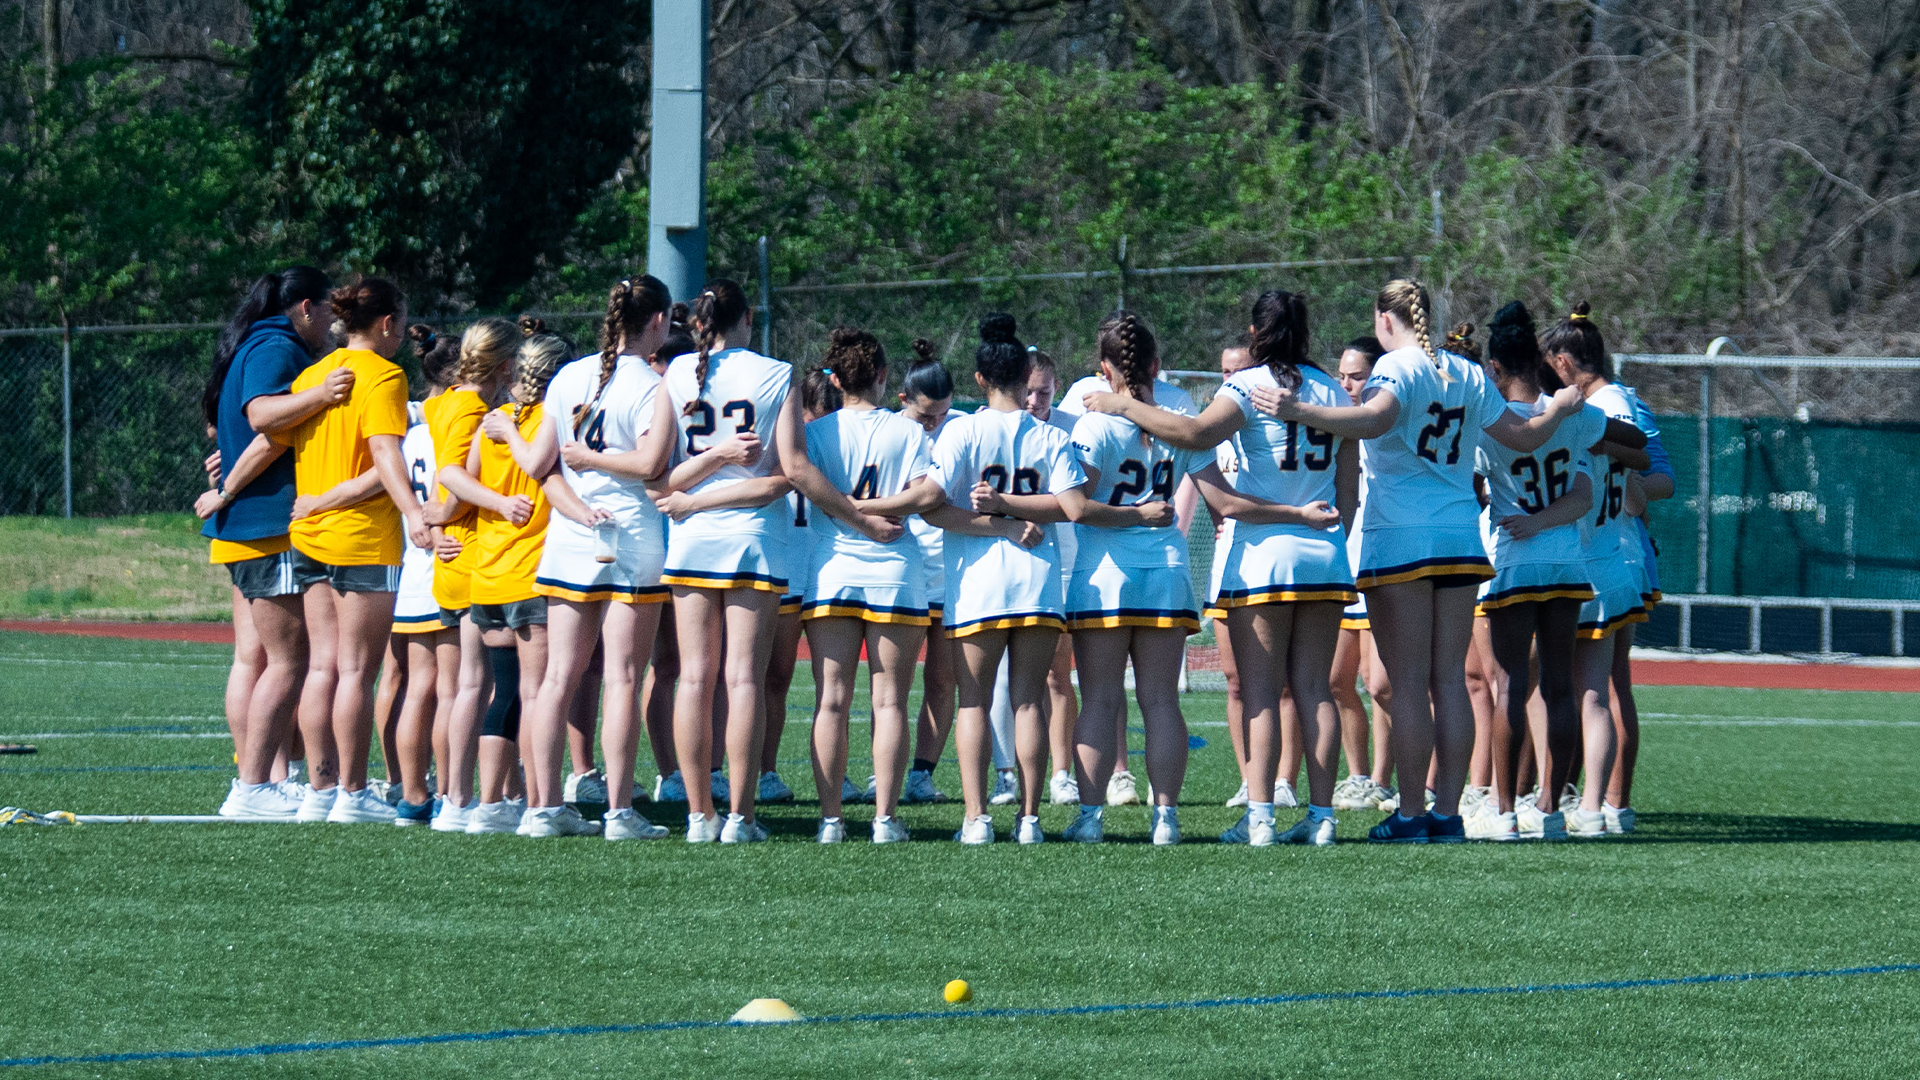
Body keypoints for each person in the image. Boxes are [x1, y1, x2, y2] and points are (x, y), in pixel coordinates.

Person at [1249, 279, 1582, 844]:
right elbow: (1523, 437)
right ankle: (1447, 813)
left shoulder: (1396, 369)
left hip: (1401, 537)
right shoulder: (1468, 371)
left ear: (1384, 321)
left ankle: (1409, 813)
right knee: (1448, 679)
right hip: (1459, 537)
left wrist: (1297, 408)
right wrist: (1561, 409)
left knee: (1406, 682)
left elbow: (1375, 420)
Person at [1085, 292, 1360, 847]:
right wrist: (1319, 526)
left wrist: (1123, 406)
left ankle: (1260, 816)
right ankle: (1323, 817)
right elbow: (1348, 493)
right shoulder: (1333, 391)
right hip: (1324, 552)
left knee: (1260, 692)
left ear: (1256, 331)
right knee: (1315, 689)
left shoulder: (1249, 385)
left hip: (1262, 555)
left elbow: (1193, 435)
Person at [646, 279, 899, 843]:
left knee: (693, 678)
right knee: (743, 681)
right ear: (749, 317)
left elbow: (656, 480)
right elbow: (794, 472)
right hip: (753, 542)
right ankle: (740, 817)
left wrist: (695, 493)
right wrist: (861, 520)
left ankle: (696, 816)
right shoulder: (774, 373)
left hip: (691, 541)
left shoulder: (678, 374)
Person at [914, 313, 1096, 845]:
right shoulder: (1047, 434)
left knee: (973, 700)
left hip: (977, 586)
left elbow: (933, 509)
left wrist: (996, 523)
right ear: (1024, 377)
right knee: (1029, 700)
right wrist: (1015, 523)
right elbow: (1072, 506)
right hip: (1038, 582)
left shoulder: (961, 430)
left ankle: (976, 820)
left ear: (978, 380)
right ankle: (1031, 820)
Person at [1466, 301, 1643, 841]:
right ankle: (1547, 809)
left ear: (1495, 368)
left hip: (1514, 559)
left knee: (1510, 685)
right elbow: (1633, 444)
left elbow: (1474, 486)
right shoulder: (1571, 412)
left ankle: (1502, 811)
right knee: (1561, 687)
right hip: (1568, 558)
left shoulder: (1487, 420)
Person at [1058, 312, 1228, 846]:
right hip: (1166, 570)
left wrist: (1130, 516)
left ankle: (1089, 818)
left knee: (1101, 700)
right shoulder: (1179, 414)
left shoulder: (1094, 422)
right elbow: (1219, 495)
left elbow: (1077, 507)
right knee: (1161, 701)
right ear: (1155, 363)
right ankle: (1166, 819)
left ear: (1104, 367)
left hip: (1104, 574)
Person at [519, 276, 678, 840]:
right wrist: (596, 460)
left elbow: (541, 466)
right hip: (631, 540)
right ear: (657, 322)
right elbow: (651, 465)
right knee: (624, 677)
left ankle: (542, 809)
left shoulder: (567, 376)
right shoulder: (654, 385)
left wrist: (577, 502)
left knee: (557, 676)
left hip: (572, 538)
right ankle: (617, 812)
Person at [273, 277, 429, 824]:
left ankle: (319, 791)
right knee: (357, 672)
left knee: (323, 667)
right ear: (387, 323)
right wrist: (412, 511)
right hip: (361, 538)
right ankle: (353, 793)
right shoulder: (385, 375)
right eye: (403, 321)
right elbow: (385, 456)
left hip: (309, 533)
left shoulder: (315, 375)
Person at [199, 266, 343, 818]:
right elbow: (264, 419)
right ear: (305, 308)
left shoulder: (257, 343)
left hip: (250, 521)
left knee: (260, 659)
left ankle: (266, 781)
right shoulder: (275, 346)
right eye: (327, 309)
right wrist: (324, 395)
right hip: (268, 522)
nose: (332, 321)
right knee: (289, 661)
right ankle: (255, 785)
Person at [800, 328, 932, 843]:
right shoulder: (908, 431)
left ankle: (831, 820)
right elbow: (923, 494)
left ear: (834, 379)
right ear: (882, 376)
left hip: (831, 573)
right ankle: (883, 819)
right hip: (894, 573)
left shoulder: (816, 433)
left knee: (830, 700)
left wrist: (853, 514)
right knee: (890, 701)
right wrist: (877, 516)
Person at [1541, 302, 1655, 839]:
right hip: (1610, 558)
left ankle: (1566, 802)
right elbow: (1637, 460)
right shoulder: (1609, 410)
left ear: (1563, 362)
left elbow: (1647, 472)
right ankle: (1597, 807)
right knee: (1601, 692)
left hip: (1586, 559)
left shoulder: (1599, 406)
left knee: (1577, 690)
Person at [423, 318, 518, 832]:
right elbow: (454, 478)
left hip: (454, 553)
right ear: (504, 365)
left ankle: (465, 794)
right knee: (475, 684)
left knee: (466, 685)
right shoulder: (473, 408)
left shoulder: (444, 401)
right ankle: (459, 797)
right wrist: (441, 514)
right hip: (471, 552)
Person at [386, 326, 463, 824]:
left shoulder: (410, 428)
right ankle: (454, 794)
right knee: (451, 690)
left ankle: (413, 795)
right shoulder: (452, 424)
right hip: (445, 565)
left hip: (410, 571)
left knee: (419, 688)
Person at [1324, 336, 1397, 813]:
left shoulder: (1389, 426)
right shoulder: (1332, 427)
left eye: (1358, 376)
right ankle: (1356, 776)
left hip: (1382, 562)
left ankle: (1384, 779)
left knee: (1381, 684)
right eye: (1343, 375)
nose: (1347, 385)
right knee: (1334, 679)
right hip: (1340, 565)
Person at [896, 342, 959, 805]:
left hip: (954, 574)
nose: (934, 424)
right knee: (891, 686)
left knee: (942, 681)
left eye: (942, 414)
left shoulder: (964, 430)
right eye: (925, 417)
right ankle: (888, 773)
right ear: (902, 401)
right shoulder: (890, 433)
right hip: (903, 574)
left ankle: (922, 774)